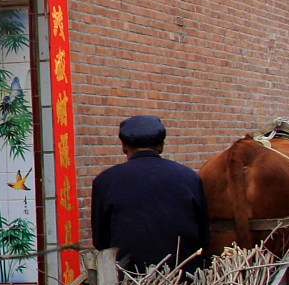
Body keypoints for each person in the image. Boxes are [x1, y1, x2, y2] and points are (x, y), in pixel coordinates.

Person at [90, 115, 211, 273]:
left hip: (129, 283)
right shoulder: (189, 178)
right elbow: (204, 238)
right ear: (161, 146)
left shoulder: (105, 181)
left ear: (124, 146)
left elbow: (101, 242)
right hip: (183, 280)